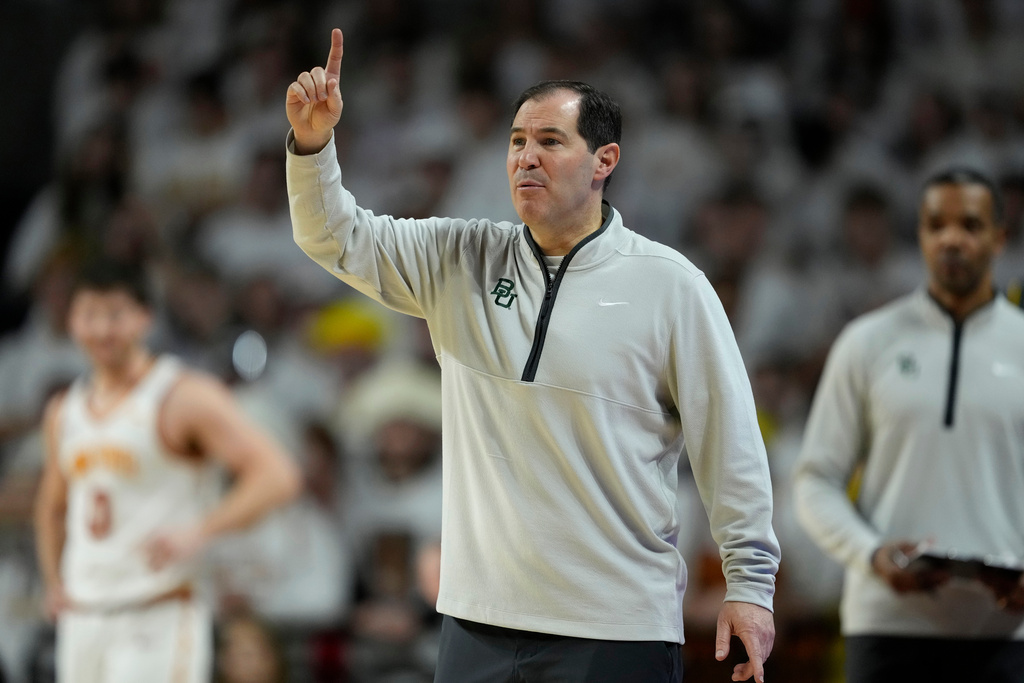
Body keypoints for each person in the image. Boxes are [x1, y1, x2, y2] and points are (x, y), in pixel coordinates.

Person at [285, 29, 779, 683]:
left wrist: (750, 582)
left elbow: (730, 442)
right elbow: (333, 237)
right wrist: (313, 145)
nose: (525, 158)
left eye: (550, 142)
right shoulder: (459, 257)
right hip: (476, 622)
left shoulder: (670, 284)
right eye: (517, 141)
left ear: (605, 159)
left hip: (614, 625)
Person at [794, 167, 1024, 683]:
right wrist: (871, 554)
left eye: (970, 224)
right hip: (886, 628)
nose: (951, 239)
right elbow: (815, 479)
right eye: (935, 225)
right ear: (920, 236)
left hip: (1006, 632)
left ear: (1000, 238)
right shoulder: (866, 342)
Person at [33, 260, 302, 683]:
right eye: (89, 315)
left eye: (115, 314)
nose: (102, 329)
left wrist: (201, 530)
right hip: (84, 612)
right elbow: (52, 506)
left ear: (145, 317)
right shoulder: (63, 411)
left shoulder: (182, 395)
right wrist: (53, 579)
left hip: (157, 609)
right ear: (71, 322)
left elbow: (277, 475)